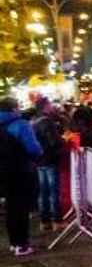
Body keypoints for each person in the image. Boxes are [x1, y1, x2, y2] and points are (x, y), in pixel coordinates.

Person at [1, 98, 42, 256]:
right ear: (13, 109)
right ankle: (23, 245)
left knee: (11, 208)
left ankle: (14, 243)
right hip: (22, 171)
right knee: (22, 209)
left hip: (3, 173)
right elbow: (34, 149)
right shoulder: (21, 125)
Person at [32, 98, 65, 231]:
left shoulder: (34, 122)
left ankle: (44, 221)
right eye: (50, 104)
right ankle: (57, 220)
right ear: (45, 107)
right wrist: (62, 140)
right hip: (50, 159)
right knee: (53, 191)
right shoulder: (47, 122)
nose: (52, 106)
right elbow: (54, 142)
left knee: (43, 191)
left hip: (39, 160)